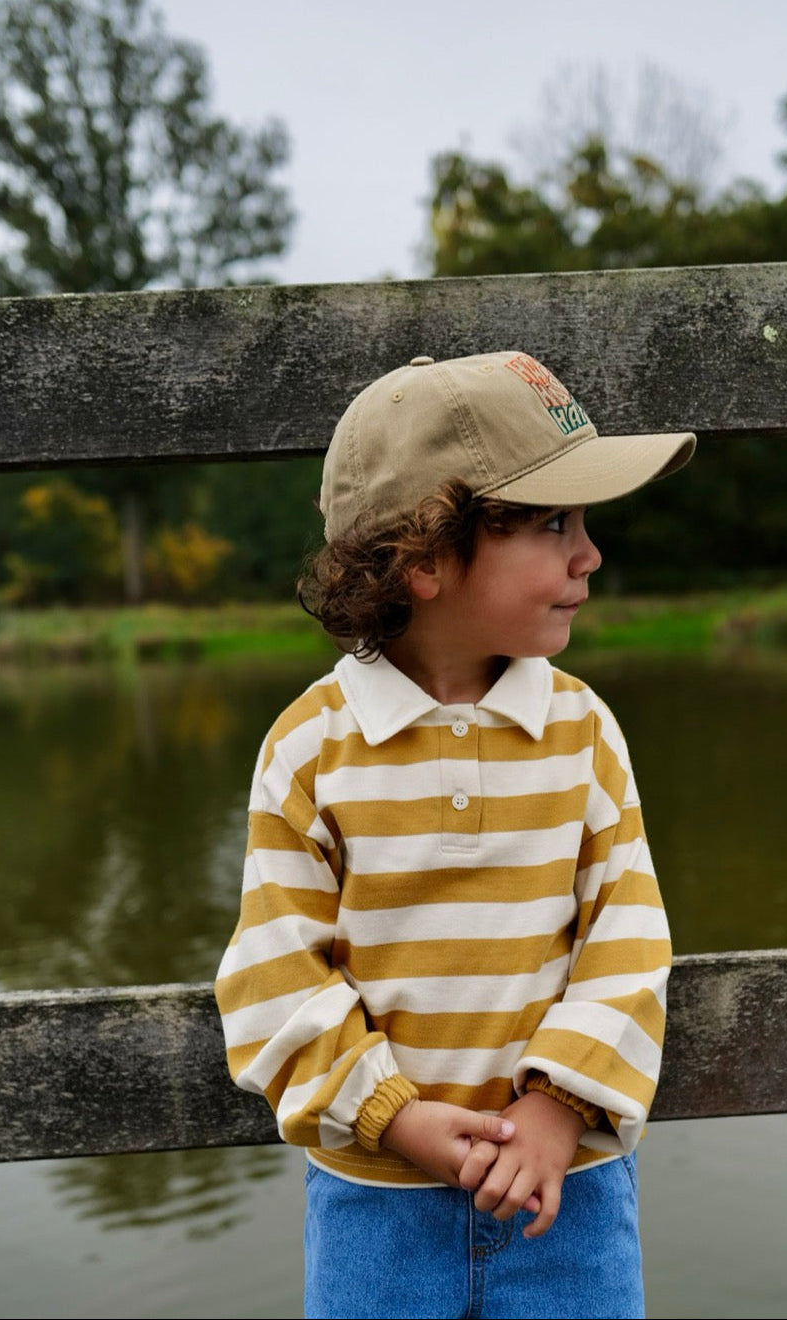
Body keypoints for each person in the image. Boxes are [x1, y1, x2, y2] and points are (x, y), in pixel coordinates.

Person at [214, 349, 695, 1319]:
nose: (588, 554)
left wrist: (559, 1107)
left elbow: (628, 936)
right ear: (423, 557)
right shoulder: (311, 750)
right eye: (552, 522)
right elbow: (276, 974)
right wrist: (392, 1117)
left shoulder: (583, 730)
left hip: (569, 1204)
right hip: (376, 1207)